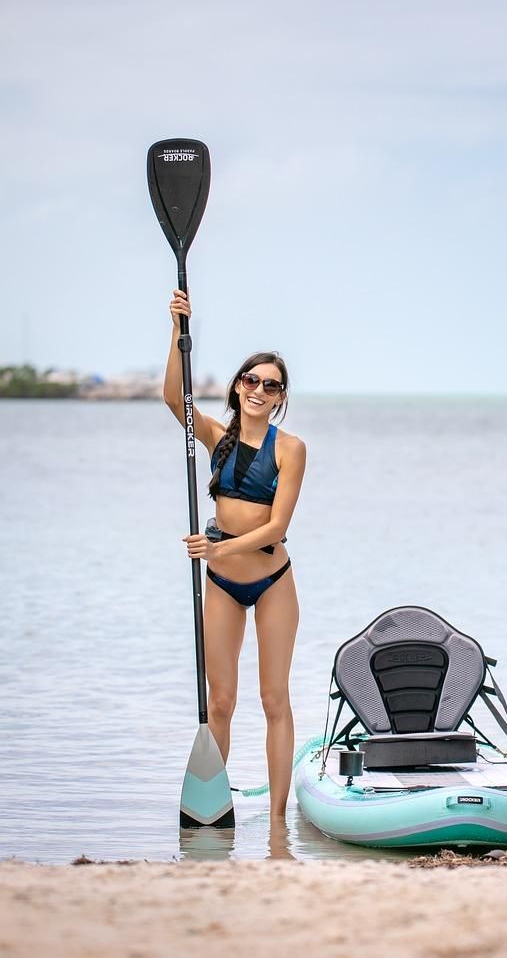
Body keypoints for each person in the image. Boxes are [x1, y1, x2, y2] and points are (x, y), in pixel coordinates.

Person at [163, 289, 306, 820]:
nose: (259, 389)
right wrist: (177, 331)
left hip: (273, 582)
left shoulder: (290, 449)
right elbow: (173, 396)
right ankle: (212, 809)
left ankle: (275, 825)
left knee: (274, 700)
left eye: (270, 384)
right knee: (220, 702)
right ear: (237, 385)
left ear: (279, 397)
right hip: (221, 583)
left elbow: (278, 526)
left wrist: (216, 544)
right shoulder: (216, 436)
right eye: (251, 379)